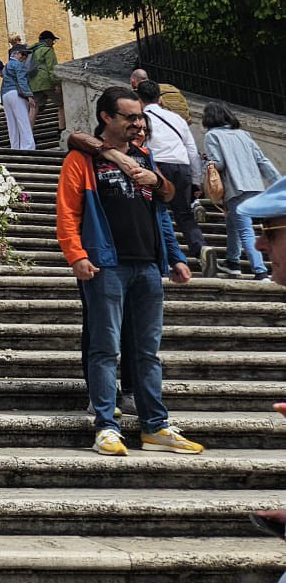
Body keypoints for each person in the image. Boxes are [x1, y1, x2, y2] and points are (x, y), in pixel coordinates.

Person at [57, 86, 200, 456]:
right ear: (107, 117)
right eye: (130, 117)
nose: (138, 123)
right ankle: (106, 425)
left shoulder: (144, 157)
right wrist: (76, 254)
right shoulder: (82, 159)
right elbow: (68, 212)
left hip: (148, 265)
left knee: (148, 352)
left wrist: (175, 257)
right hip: (106, 263)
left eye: (139, 117)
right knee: (105, 349)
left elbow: (161, 214)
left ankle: (156, 425)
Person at [202, 103, 282, 279]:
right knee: (233, 225)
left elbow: (219, 163)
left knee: (245, 229)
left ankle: (260, 271)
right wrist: (277, 182)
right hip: (255, 186)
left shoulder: (211, 136)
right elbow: (262, 160)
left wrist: (205, 163)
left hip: (235, 187)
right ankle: (232, 261)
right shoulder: (244, 135)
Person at [135, 78, 204, 260]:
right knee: (185, 214)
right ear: (159, 98)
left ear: (139, 100)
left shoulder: (142, 120)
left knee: (157, 212)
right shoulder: (176, 119)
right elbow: (192, 150)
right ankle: (200, 249)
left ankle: (163, 256)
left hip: (156, 167)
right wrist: (196, 181)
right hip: (182, 166)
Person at [0, 46, 36, 151]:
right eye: (23, 54)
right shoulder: (18, 65)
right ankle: (28, 147)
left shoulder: (6, 67)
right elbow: (22, 81)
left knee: (12, 124)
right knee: (23, 120)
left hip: (5, 94)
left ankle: (14, 147)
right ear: (15, 53)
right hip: (16, 94)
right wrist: (29, 95)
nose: (24, 57)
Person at [28, 29, 62, 127]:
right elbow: (52, 68)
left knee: (34, 108)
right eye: (52, 41)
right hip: (46, 82)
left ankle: (28, 134)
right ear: (48, 40)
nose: (53, 43)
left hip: (34, 83)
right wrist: (57, 83)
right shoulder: (48, 50)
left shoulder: (32, 50)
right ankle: (61, 128)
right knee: (62, 104)